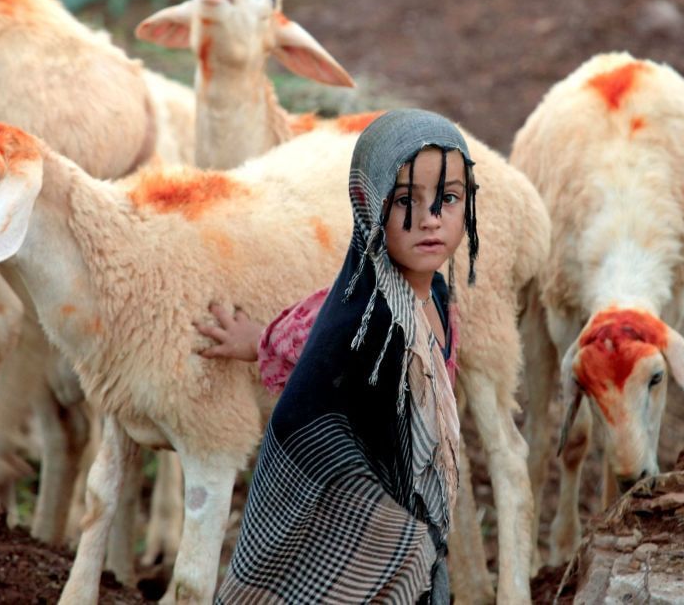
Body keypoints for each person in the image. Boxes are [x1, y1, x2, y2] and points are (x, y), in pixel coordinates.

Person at [203, 109, 478, 604]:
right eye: (404, 200)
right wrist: (254, 342)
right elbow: (304, 402)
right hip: (348, 528)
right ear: (367, 205)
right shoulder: (363, 317)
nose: (431, 218)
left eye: (449, 198)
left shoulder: (437, 298)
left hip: (410, 513)